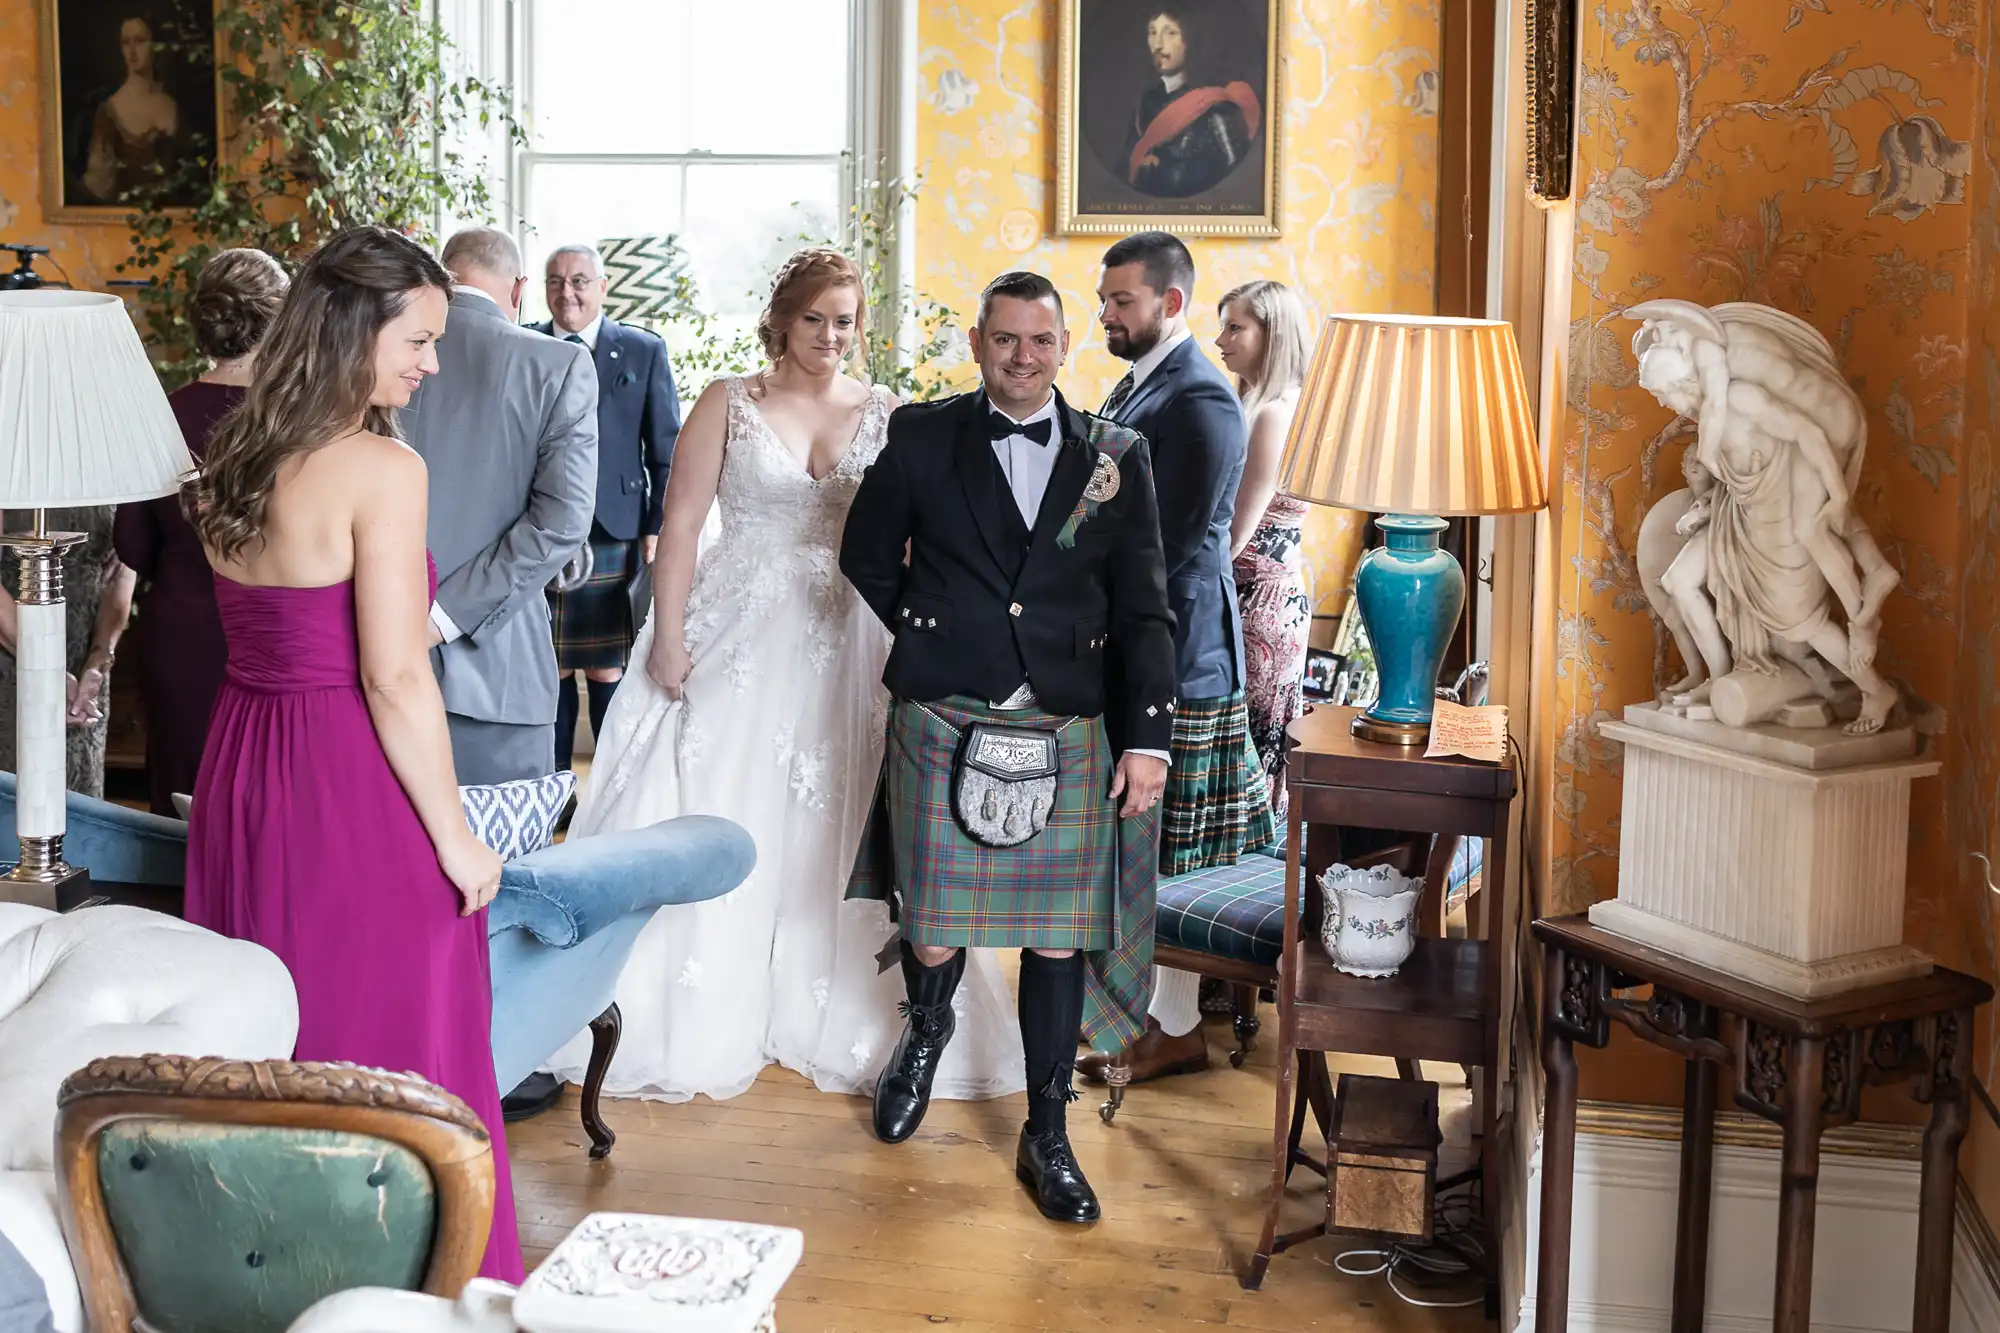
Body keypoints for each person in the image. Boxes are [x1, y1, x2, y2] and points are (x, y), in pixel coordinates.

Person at [553, 248, 1025, 1106]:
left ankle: (876, 1011)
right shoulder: (729, 403)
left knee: (847, 809)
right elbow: (683, 524)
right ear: (782, 320)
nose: (831, 336)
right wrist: (664, 638)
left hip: (855, 632)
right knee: (726, 792)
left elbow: (920, 538)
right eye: (816, 319)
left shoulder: (886, 411)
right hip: (739, 621)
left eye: (845, 320)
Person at [181, 225, 522, 1281]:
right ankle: (414, 1283)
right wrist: (459, 837)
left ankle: (267, 1279)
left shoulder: (231, 455)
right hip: (348, 776)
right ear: (348, 331)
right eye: (415, 340)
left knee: (268, 1032)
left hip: (243, 765)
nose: (429, 364)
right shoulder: (380, 467)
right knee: (394, 1035)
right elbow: (393, 675)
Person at [841, 270, 1176, 1223]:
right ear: (979, 341)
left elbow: (1147, 607)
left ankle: (1048, 1130)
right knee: (934, 919)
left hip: (1068, 717)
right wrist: (933, 629)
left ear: (1063, 346)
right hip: (943, 709)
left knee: (1058, 934)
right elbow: (866, 554)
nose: (1021, 358)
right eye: (1004, 341)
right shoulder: (922, 435)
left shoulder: (1118, 453)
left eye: (1039, 342)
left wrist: (1146, 739)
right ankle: (927, 1027)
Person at [1081, 230, 1273, 1089]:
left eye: (1120, 301)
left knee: (1174, 854)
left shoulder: (1199, 402)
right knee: (1144, 845)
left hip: (1183, 653)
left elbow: (1172, 544)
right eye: (1106, 298)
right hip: (1146, 642)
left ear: (1171, 303)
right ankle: (1148, 1016)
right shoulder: (1143, 381)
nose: (1105, 313)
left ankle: (1175, 1029)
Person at [402, 226, 597, 785]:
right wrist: (444, 617)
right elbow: (562, 520)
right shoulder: (559, 365)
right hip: (497, 674)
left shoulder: (376, 351)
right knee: (501, 865)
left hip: (366, 659)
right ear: (520, 290)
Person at [115, 247, 290, 815]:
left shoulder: (158, 416)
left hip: (182, 637)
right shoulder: (296, 423)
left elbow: (132, 545)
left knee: (178, 816)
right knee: (265, 808)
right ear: (280, 319)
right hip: (274, 637)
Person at [529, 244, 681, 770]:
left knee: (606, 670)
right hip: (538, 530)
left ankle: (613, 789)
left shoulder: (641, 350)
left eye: (578, 281)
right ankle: (554, 792)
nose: (566, 292)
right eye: (555, 281)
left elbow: (666, 453)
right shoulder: (526, 344)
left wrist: (656, 530)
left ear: (602, 286)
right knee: (546, 667)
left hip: (614, 532)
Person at [1215, 278, 1312, 822]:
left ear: (1271, 332)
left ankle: (1256, 860)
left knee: (1255, 738)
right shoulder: (1258, 402)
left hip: (1260, 604)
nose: (1220, 338)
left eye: (1235, 326)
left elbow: (1236, 531)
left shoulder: (1274, 412)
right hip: (1260, 594)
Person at [0, 513, 134, 799]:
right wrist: (44, 669)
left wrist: (99, 661)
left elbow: (121, 575)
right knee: (20, 797)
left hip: (85, 663)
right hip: (13, 650)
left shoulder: (116, 469)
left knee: (80, 795)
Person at [1124, 7, 1261, 198]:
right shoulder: (1144, 105)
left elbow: (1235, 186)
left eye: (1171, 33)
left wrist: (1165, 171)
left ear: (1190, 39)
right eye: (1153, 33)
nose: (1159, 44)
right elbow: (1124, 173)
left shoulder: (1216, 108)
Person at [78, 15, 187, 203]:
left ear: (155, 46)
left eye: (140, 41)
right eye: (126, 43)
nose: (132, 51)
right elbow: (99, 186)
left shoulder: (173, 105)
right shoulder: (110, 111)